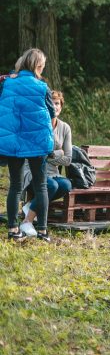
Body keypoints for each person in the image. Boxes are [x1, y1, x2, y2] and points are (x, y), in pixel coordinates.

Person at [1, 48, 55, 242]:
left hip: (13, 142)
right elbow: (52, 113)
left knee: (15, 186)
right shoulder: (42, 87)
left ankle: (13, 229)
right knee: (41, 186)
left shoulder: (8, 84)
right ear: (38, 65)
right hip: (37, 142)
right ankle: (42, 231)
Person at [19, 90, 72, 237]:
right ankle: (27, 222)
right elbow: (35, 156)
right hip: (32, 171)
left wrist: (53, 154)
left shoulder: (65, 128)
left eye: (57, 103)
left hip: (52, 173)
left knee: (66, 185)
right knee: (51, 186)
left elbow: (68, 159)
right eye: (51, 103)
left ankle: (30, 206)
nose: (54, 106)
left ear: (61, 107)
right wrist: (58, 152)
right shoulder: (38, 125)